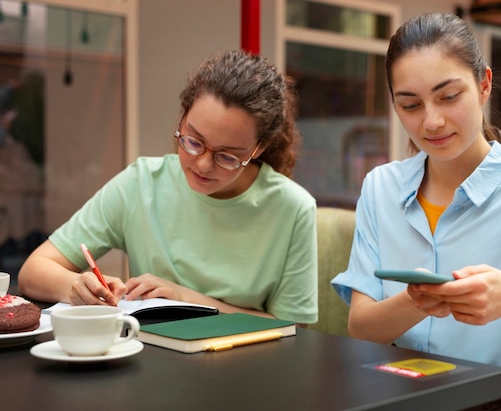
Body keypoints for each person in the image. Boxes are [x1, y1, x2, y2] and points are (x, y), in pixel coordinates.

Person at [331, 12, 501, 409]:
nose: (432, 121)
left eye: (448, 96)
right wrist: (417, 300)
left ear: (484, 85)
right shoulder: (381, 188)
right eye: (410, 104)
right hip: (390, 397)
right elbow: (360, 328)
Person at [18, 50, 318, 325]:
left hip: (244, 367)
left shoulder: (291, 208)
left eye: (227, 156)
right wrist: (76, 287)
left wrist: (186, 298)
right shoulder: (141, 183)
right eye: (193, 141)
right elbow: (34, 271)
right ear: (182, 117)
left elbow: (294, 326)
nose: (202, 164)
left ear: (258, 148)